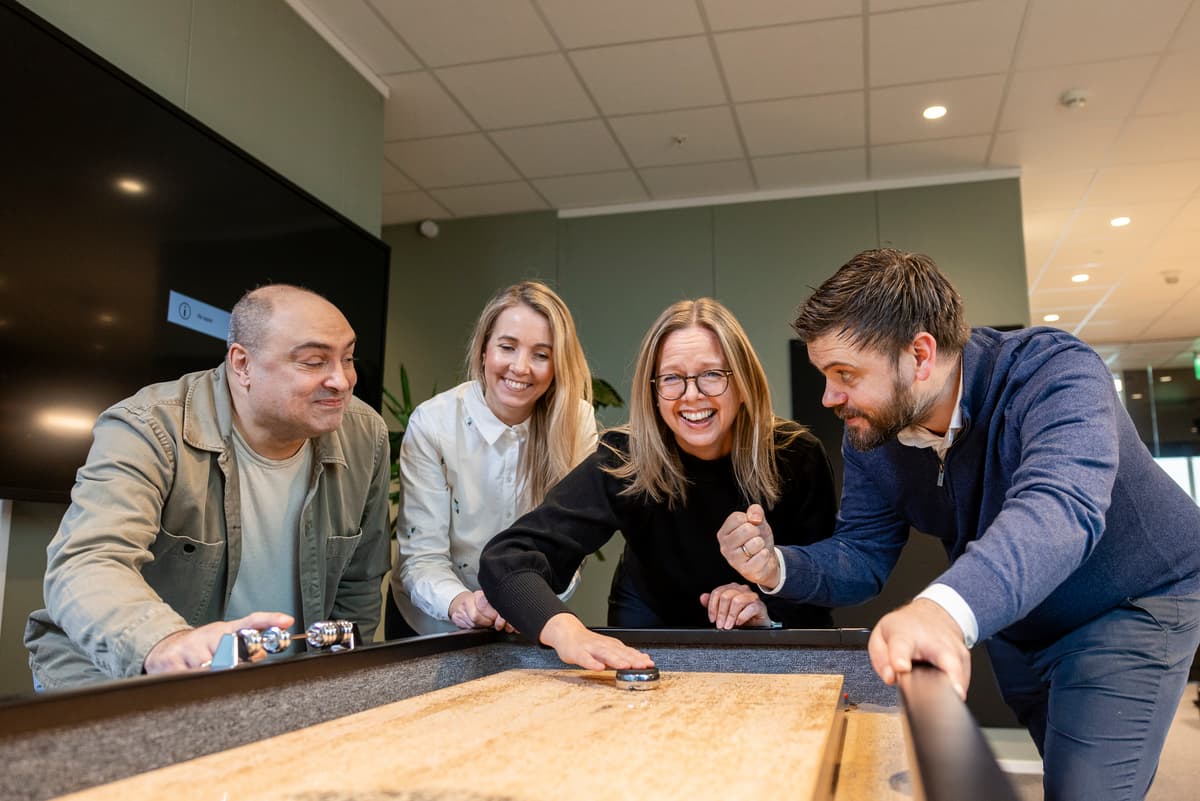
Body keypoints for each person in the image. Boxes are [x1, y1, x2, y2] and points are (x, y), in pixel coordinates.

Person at [721, 248, 1200, 801]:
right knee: (1060, 768)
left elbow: (1060, 505)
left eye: (844, 374)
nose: (830, 397)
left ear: (920, 354)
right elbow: (862, 553)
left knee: (1085, 790)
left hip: (1130, 602)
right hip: (1019, 615)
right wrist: (776, 565)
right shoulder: (873, 434)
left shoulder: (1054, 372)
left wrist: (941, 613)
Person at [25, 285, 391, 689]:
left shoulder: (364, 434)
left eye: (348, 358)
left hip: (276, 683)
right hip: (117, 673)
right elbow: (88, 561)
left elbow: (358, 583)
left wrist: (339, 685)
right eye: (314, 362)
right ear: (242, 364)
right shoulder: (148, 426)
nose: (342, 380)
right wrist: (166, 643)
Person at [479, 298, 838, 671]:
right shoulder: (624, 458)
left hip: (761, 638)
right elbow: (507, 558)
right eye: (671, 378)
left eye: (712, 374)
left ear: (744, 383)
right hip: (648, 630)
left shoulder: (797, 455)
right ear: (653, 392)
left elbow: (823, 589)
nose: (691, 395)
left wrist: (767, 611)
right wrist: (567, 632)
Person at [389, 281, 597, 635]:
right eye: (507, 347)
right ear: (484, 349)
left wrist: (525, 604)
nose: (521, 367)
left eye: (541, 355)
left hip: (525, 617)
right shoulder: (433, 423)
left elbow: (570, 548)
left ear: (557, 365)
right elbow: (423, 557)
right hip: (430, 621)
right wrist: (462, 603)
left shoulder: (576, 423)